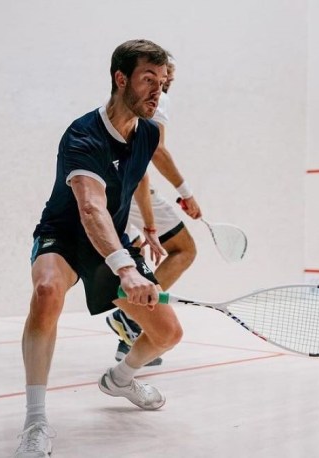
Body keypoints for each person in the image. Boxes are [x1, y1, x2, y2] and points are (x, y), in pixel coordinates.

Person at [15, 39, 183, 458]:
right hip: (65, 234)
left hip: (115, 239)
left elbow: (140, 179)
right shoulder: (83, 134)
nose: (157, 90)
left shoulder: (149, 133)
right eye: (149, 79)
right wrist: (125, 268)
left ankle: (121, 379)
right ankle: (36, 421)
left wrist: (147, 225)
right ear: (120, 78)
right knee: (47, 291)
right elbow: (90, 207)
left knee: (168, 334)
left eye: (162, 82)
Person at [106, 58, 202, 367]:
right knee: (184, 249)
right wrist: (186, 193)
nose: (165, 78)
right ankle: (133, 320)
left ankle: (129, 341)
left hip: (111, 185)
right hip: (128, 188)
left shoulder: (125, 102)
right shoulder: (158, 99)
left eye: (168, 71)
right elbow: (156, 151)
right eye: (159, 73)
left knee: (138, 250)